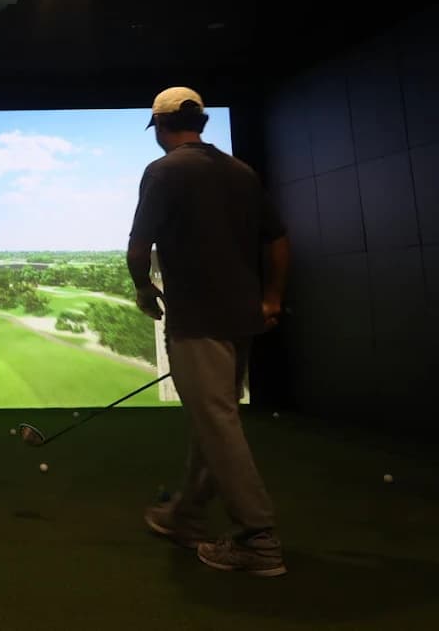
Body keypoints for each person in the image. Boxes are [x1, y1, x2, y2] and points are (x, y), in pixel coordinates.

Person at [127, 86, 291, 577]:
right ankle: (186, 516)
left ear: (159, 126)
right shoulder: (241, 172)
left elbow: (139, 248)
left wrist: (142, 290)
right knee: (213, 417)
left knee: (217, 422)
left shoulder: (163, 171)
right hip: (242, 317)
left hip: (197, 319)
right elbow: (278, 241)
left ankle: (258, 539)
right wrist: (273, 299)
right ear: (201, 122)